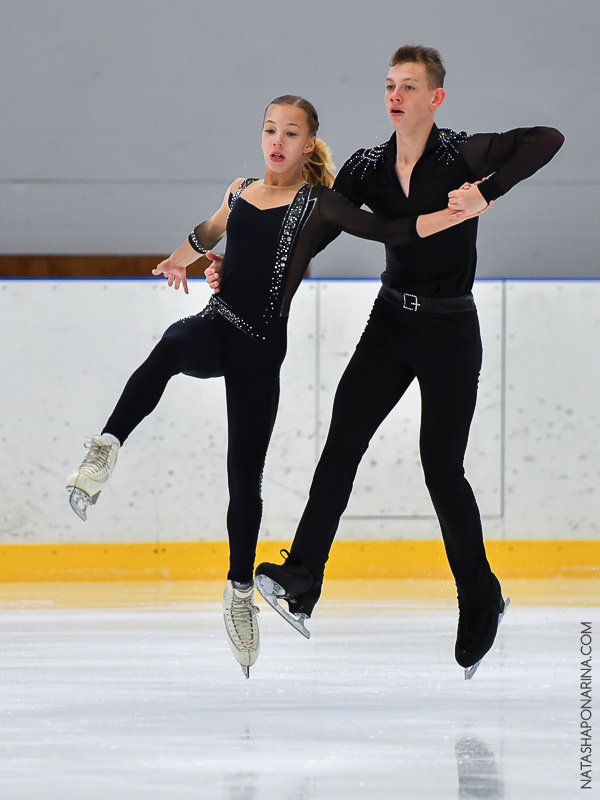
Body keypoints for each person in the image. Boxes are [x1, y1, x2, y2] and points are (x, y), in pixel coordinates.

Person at [65, 94, 481, 678]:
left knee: (245, 480)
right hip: (218, 326)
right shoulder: (239, 191)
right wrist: (178, 260)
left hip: (261, 351)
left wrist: (457, 213)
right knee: (170, 346)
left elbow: (393, 230)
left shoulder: (319, 203)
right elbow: (207, 232)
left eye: (290, 132)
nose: (277, 141)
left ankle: (239, 593)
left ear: (308, 144)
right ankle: (106, 448)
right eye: (269, 130)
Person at [252, 46, 565, 676]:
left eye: (409, 86)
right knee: (342, 442)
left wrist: (488, 193)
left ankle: (481, 597)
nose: (395, 95)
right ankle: (303, 580)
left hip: (451, 331)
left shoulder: (461, 154)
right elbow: (313, 232)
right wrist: (251, 279)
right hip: (391, 322)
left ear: (435, 98)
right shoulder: (367, 166)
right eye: (389, 85)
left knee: (441, 469)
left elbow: (548, 139)